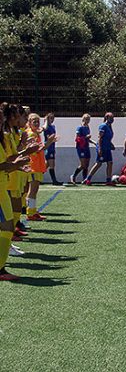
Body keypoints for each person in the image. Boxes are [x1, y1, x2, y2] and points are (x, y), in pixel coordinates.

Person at [0, 103, 31, 281]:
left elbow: (9, 160)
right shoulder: (6, 135)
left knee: (8, 224)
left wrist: (18, 165)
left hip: (6, 182)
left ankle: (2, 265)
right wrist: (20, 160)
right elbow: (9, 160)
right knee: (7, 225)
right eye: (21, 115)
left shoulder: (7, 135)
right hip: (5, 184)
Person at [25, 113, 57, 221]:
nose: (37, 124)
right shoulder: (31, 134)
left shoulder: (35, 132)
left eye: (37, 121)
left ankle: (33, 210)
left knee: (35, 189)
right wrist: (48, 143)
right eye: (34, 121)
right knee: (32, 189)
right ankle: (30, 212)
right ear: (29, 123)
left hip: (37, 165)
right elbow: (36, 150)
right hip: (33, 166)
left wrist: (46, 121)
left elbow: (43, 128)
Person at [84, 112, 116, 186]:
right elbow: (100, 138)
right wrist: (100, 149)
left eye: (113, 118)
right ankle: (88, 179)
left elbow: (108, 138)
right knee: (98, 163)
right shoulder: (103, 126)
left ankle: (108, 180)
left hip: (107, 148)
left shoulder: (109, 127)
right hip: (102, 148)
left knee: (110, 163)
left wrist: (111, 144)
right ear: (107, 118)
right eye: (111, 118)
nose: (112, 119)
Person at [70, 114, 95, 184]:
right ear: (83, 119)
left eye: (88, 119)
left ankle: (84, 179)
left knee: (86, 165)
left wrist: (93, 142)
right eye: (86, 119)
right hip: (81, 148)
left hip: (86, 147)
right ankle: (73, 176)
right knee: (83, 164)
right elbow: (77, 138)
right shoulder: (79, 128)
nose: (87, 121)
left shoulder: (87, 128)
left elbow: (88, 139)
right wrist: (86, 137)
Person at [42, 112, 62, 185]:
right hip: (49, 147)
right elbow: (48, 138)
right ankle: (54, 181)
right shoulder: (47, 128)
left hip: (52, 146)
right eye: (50, 118)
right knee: (52, 164)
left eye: (53, 118)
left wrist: (54, 139)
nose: (52, 119)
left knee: (46, 165)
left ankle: (39, 176)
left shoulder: (53, 127)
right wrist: (53, 139)